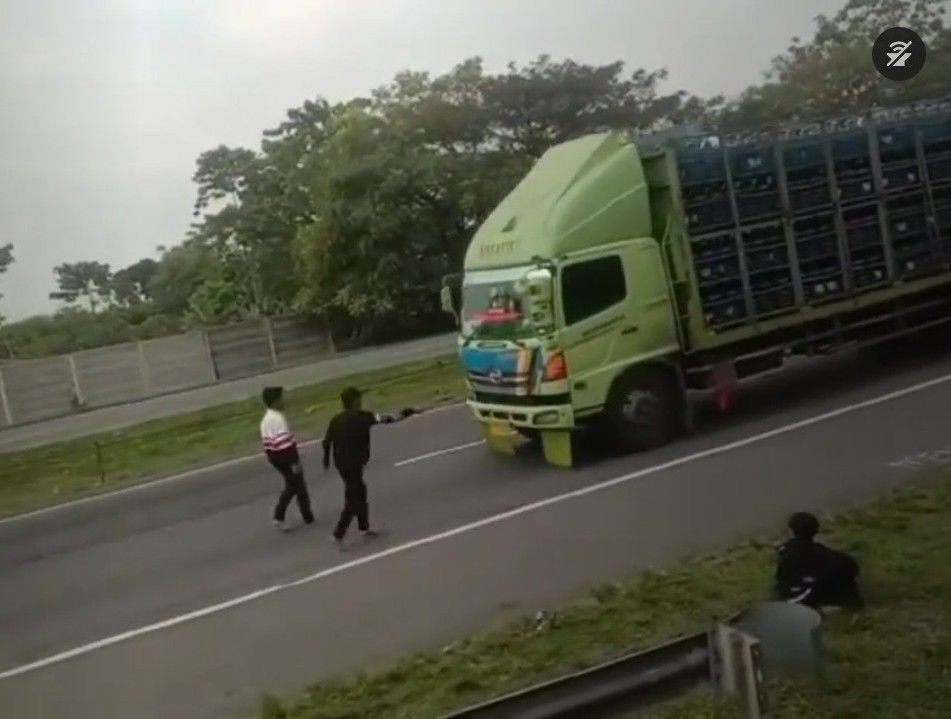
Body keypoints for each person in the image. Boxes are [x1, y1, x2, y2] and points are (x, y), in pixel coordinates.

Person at [322, 386, 415, 545]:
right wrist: (406, 413)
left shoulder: (336, 420)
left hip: (342, 464)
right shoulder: (363, 417)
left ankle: (363, 527)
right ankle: (338, 534)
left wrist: (326, 460)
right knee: (354, 498)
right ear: (355, 401)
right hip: (354, 464)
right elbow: (388, 419)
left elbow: (326, 442)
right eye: (359, 398)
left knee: (359, 492)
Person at [774, 511, 863, 610]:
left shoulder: (787, 555)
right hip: (833, 602)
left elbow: (781, 581)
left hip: (801, 604)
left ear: (791, 531)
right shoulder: (836, 558)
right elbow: (852, 570)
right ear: (816, 531)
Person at [260, 386, 315, 531]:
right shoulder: (278, 418)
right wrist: (294, 460)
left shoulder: (265, 420)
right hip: (285, 456)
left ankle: (307, 516)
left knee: (297, 484)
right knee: (294, 486)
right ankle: (279, 516)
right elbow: (285, 443)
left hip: (275, 456)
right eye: (281, 398)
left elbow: (268, 444)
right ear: (275, 401)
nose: (284, 401)